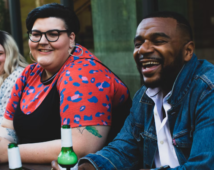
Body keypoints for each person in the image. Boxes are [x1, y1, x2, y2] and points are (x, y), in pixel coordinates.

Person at [0, 3, 131, 164]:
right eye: (36, 34)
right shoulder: (29, 74)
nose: (42, 41)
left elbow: (81, 149)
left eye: (53, 34)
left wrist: (11, 152)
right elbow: (8, 127)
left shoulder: (84, 72)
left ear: (71, 38)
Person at [69, 11, 214, 169]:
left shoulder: (208, 91)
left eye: (158, 41)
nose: (142, 50)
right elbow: (122, 150)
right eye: (138, 44)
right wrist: (85, 168)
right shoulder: (145, 96)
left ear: (188, 51)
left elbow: (203, 166)